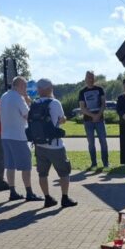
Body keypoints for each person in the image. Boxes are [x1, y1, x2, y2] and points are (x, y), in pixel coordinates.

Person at [32, 78, 77, 208]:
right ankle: (65, 198)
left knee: (42, 174)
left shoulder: (34, 103)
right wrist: (64, 118)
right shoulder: (55, 103)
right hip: (55, 146)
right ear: (49, 88)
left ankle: (47, 198)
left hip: (39, 144)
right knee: (64, 172)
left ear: (39, 90)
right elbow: (61, 120)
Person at [0, 76, 42, 202]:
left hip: (5, 135)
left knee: (10, 165)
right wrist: (28, 101)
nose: (26, 89)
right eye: (25, 86)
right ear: (18, 86)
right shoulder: (18, 98)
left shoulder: (4, 96)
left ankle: (12, 192)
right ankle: (29, 192)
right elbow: (28, 115)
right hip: (18, 136)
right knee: (26, 165)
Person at [78, 70, 109, 168]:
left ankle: (105, 163)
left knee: (103, 141)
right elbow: (82, 108)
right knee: (91, 143)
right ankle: (94, 163)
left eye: (92, 77)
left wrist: (98, 115)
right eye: (88, 77)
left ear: (94, 78)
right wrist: (93, 116)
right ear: (85, 79)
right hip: (88, 121)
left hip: (100, 120)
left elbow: (104, 104)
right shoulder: (82, 92)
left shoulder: (100, 89)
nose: (90, 79)